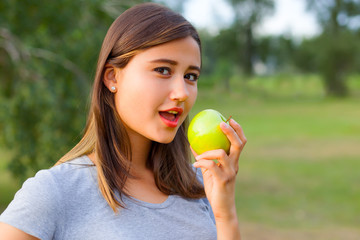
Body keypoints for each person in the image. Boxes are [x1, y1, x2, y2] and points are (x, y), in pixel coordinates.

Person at [0, 3, 246, 240]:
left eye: (191, 76)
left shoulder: (201, 186)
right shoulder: (56, 191)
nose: (182, 92)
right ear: (112, 77)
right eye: (163, 70)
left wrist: (225, 214)